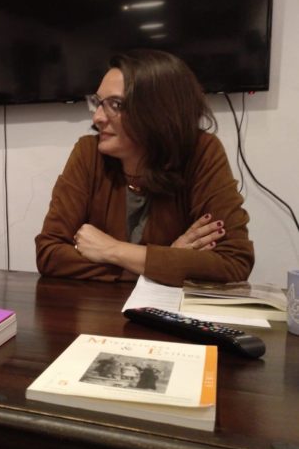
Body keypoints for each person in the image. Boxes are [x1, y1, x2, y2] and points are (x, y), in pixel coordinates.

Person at [36, 49, 254, 286]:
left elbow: (234, 262)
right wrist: (167, 261)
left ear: (158, 111)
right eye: (98, 103)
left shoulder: (202, 152)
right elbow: (49, 253)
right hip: (99, 314)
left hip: (169, 318)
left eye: (116, 105)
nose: (97, 117)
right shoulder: (88, 153)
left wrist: (113, 250)